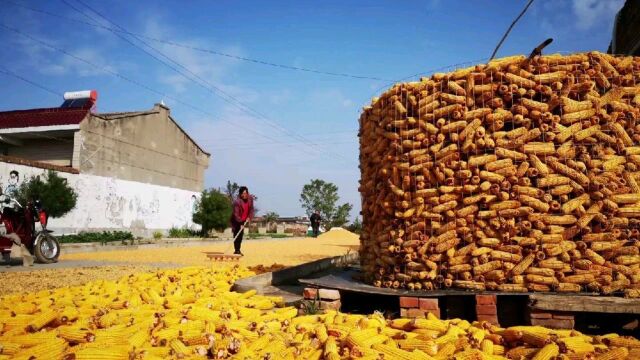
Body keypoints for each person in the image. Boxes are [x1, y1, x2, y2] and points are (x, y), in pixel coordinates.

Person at [230, 186, 254, 256]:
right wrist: (240, 223)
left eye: (246, 193)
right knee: (236, 235)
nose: (244, 195)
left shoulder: (250, 199)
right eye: (243, 193)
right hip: (236, 220)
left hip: (244, 220)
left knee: (240, 235)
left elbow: (251, 209)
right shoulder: (237, 202)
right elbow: (236, 214)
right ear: (240, 194)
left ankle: (238, 250)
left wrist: (249, 217)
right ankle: (236, 250)